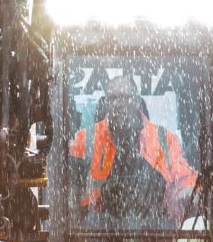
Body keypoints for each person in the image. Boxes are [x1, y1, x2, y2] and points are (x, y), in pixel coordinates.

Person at [70, 75, 198, 224]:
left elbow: (186, 183)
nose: (118, 104)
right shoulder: (83, 140)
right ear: (106, 103)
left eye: (124, 97)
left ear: (137, 101)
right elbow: (69, 194)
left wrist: (186, 194)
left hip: (158, 233)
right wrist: (101, 196)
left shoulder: (165, 140)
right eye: (112, 98)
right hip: (94, 235)